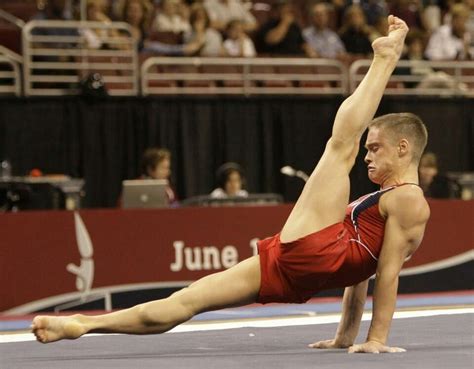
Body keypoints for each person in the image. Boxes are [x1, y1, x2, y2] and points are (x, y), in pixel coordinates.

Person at [32, 16, 430, 354]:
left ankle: (384, 59)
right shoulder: (381, 200)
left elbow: (387, 272)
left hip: (315, 253)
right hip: (294, 266)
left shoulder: (409, 199)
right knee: (184, 302)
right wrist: (345, 337)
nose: (368, 155)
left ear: (403, 148)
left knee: (340, 145)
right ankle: (83, 324)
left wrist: (376, 338)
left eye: (376, 148)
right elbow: (360, 275)